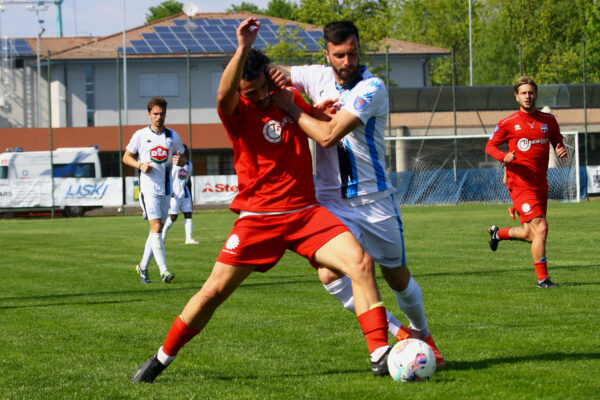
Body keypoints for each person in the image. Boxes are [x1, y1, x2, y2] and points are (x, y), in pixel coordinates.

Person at [130, 18, 392, 384]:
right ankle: (160, 358)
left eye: (259, 90)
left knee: (361, 264)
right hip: (258, 219)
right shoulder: (236, 113)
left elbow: (312, 121)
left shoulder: (288, 99)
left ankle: (380, 353)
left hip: (305, 214)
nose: (256, 98)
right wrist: (243, 48)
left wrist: (320, 111)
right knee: (212, 292)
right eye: (247, 93)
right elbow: (224, 95)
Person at [268, 20, 445, 367]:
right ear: (327, 55)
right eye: (339, 55)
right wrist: (272, 75)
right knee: (329, 273)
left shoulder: (372, 87)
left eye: (353, 52)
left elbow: (328, 135)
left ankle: (422, 334)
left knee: (397, 277)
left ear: (359, 49)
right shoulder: (316, 76)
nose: (348, 61)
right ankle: (398, 336)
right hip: (333, 202)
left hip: (375, 200)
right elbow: (278, 73)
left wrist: (291, 106)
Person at [485, 75, 567, 288]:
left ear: (536, 94)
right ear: (517, 97)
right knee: (541, 228)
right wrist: (504, 157)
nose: (528, 96)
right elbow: (490, 147)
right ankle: (543, 280)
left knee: (531, 234)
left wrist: (560, 148)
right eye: (523, 93)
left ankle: (498, 233)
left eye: (531, 92)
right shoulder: (508, 123)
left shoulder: (548, 121)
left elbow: (557, 140)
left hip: (540, 183)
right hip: (519, 184)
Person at [123, 96, 186, 284]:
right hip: (148, 188)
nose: (159, 117)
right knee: (156, 227)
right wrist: (140, 165)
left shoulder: (173, 136)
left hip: (166, 188)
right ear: (149, 114)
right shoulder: (140, 135)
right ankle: (164, 271)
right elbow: (126, 157)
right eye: (155, 114)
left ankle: (142, 266)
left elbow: (182, 158)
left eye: (162, 113)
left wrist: (180, 161)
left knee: (155, 231)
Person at [161, 144, 199, 245]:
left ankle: (189, 239)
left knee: (188, 215)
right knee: (174, 216)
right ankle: (162, 235)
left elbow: (188, 180)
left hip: (185, 193)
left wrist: (190, 195)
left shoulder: (189, 164)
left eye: (183, 151)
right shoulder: (171, 164)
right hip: (174, 193)